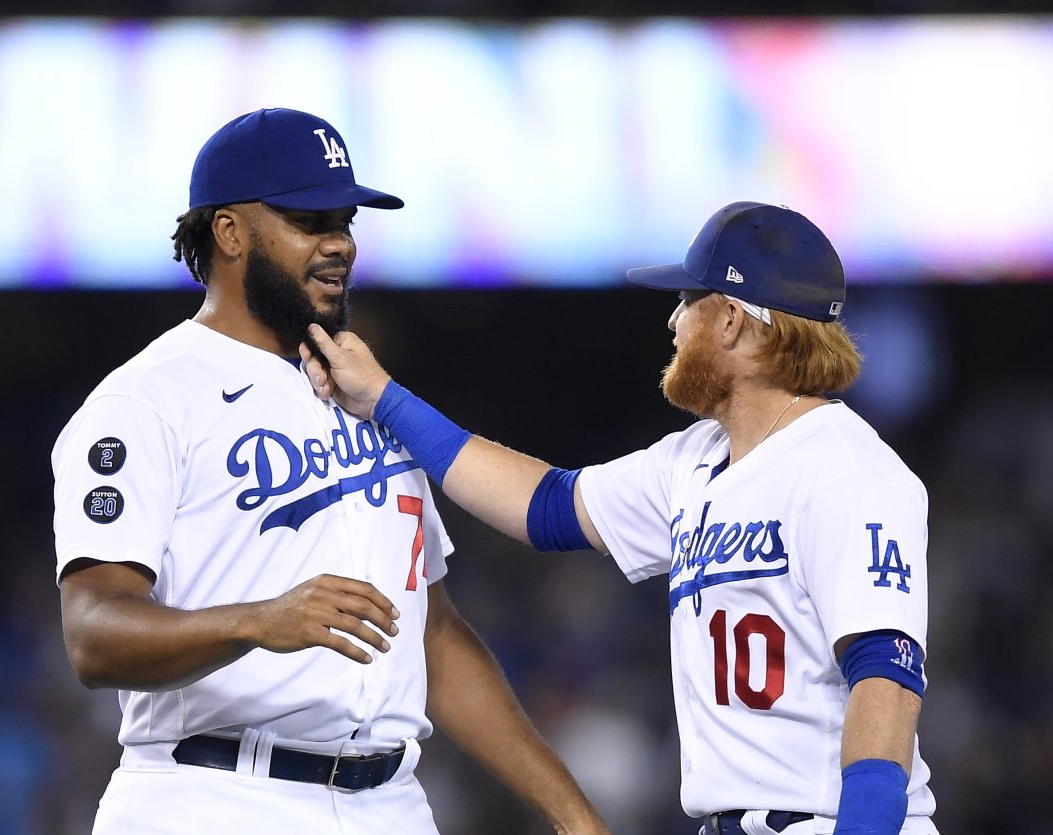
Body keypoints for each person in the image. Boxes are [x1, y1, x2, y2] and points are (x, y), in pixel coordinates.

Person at [51, 107, 607, 835]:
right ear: (230, 231)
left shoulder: (363, 388)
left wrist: (575, 817)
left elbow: (432, 634)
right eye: (309, 220)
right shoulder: (148, 397)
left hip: (390, 800)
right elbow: (92, 633)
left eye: (344, 220)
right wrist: (258, 619)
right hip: (213, 794)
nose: (339, 243)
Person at [301, 201, 939, 835]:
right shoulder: (693, 460)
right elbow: (543, 506)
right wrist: (386, 400)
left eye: (690, 300)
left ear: (735, 323)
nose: (673, 320)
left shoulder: (848, 472)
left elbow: (886, 680)